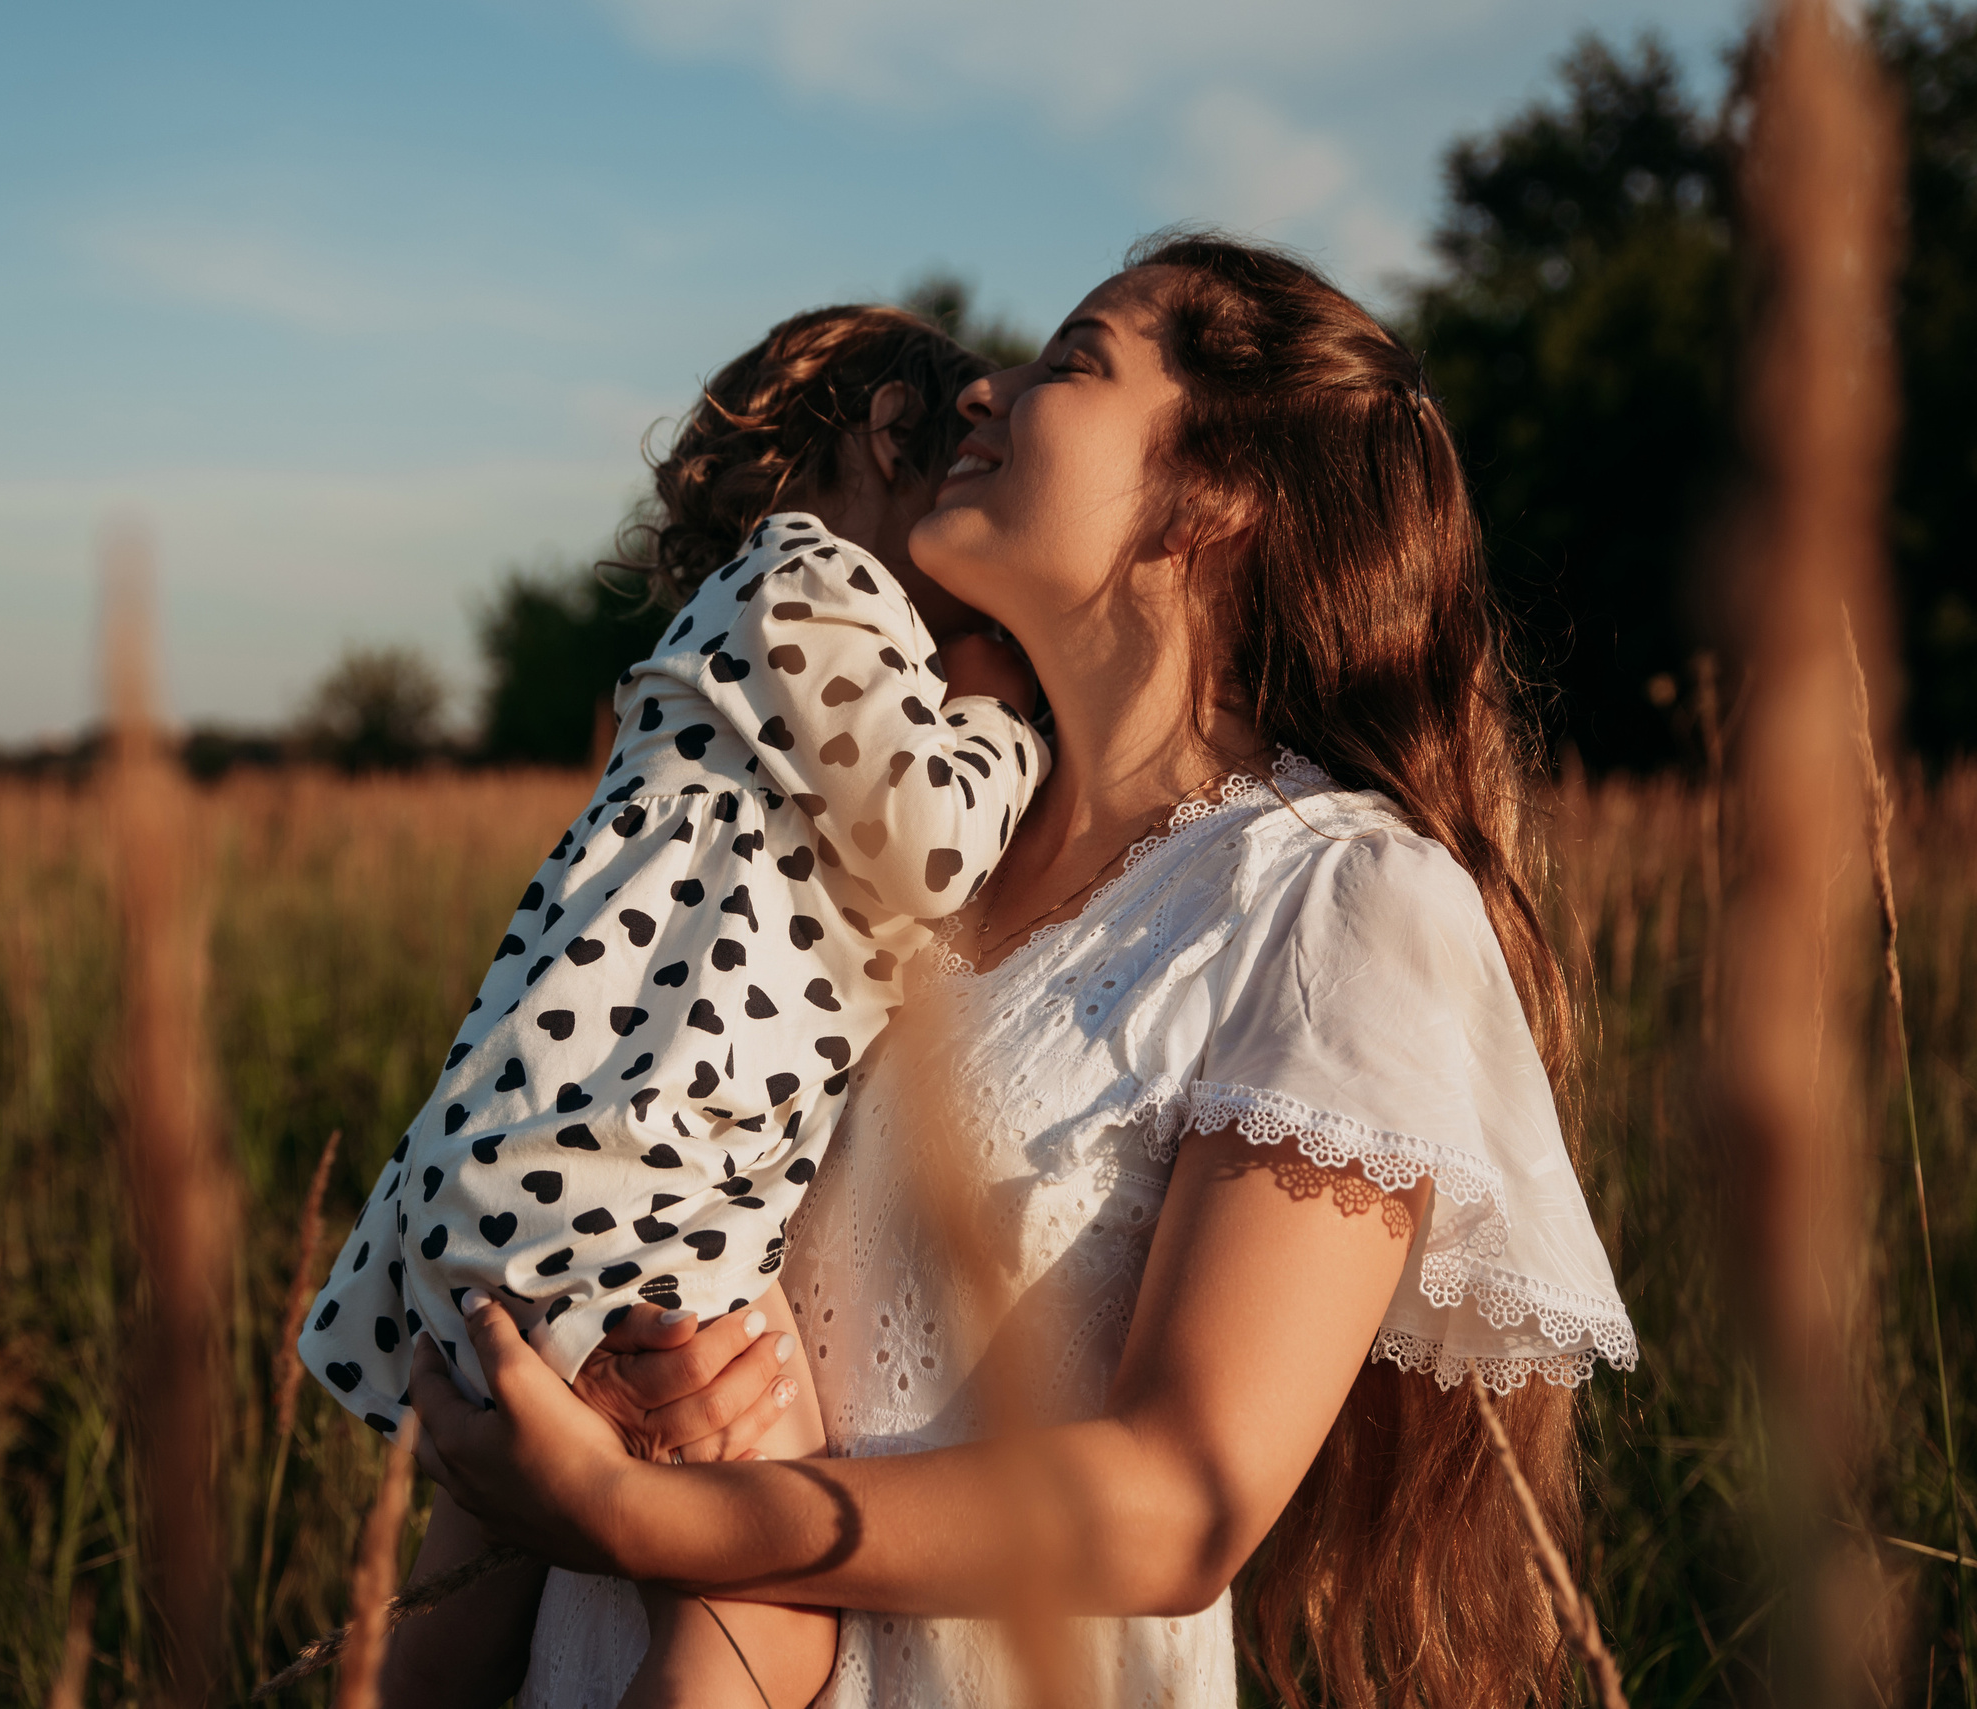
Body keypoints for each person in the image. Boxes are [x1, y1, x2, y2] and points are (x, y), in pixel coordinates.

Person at [403, 233, 1640, 1709]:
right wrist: (579, 1418)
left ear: (1214, 493)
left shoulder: (1331, 896)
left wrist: (639, 1517)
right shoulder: (888, 828)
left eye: (1071, 364)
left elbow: (1182, 1499)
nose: (980, 388)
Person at [300, 304, 1047, 1708]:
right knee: (764, 1615)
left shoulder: (753, 628)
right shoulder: (817, 583)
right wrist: (1005, 713)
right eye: (964, 469)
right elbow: (930, 843)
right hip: (637, 1178)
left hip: (529, 1178)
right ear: (893, 437)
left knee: (474, 1580)